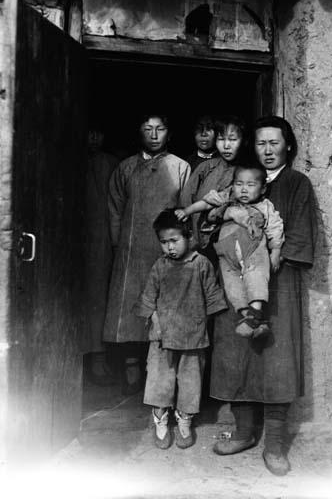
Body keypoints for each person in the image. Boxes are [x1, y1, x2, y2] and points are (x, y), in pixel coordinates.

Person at [210, 115, 317, 477]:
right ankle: (243, 432)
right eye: (261, 143)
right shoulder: (239, 180)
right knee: (238, 353)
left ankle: (274, 444)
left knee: (276, 361)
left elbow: (300, 237)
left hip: (279, 284)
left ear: (287, 144)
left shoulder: (297, 185)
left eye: (275, 143)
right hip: (239, 281)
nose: (268, 150)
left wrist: (271, 261)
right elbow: (212, 223)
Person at [103, 114, 191, 394]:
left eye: (160, 129)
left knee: (164, 309)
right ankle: (131, 365)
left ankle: (160, 374)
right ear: (139, 133)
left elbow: (187, 211)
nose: (154, 135)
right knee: (130, 309)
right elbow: (115, 210)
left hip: (165, 249)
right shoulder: (126, 167)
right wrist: (118, 246)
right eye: (147, 129)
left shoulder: (180, 167)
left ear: (169, 133)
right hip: (131, 251)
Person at [134, 210, 226, 449]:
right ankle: (161, 419)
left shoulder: (201, 264)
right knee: (159, 379)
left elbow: (214, 298)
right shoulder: (160, 266)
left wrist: (204, 324)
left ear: (189, 237)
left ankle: (185, 419)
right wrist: (154, 319)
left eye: (174, 240)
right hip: (163, 336)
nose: (169, 247)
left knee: (190, 381)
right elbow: (148, 298)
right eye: (164, 242)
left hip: (193, 335)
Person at [176, 163, 284, 338]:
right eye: (239, 184)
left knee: (256, 277)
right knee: (232, 286)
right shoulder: (227, 198)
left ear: (263, 188)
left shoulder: (265, 206)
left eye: (250, 185)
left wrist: (276, 252)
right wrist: (187, 211)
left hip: (253, 250)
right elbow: (206, 202)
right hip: (226, 253)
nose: (243, 190)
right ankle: (252, 321)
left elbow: (275, 227)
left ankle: (255, 314)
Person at [180, 115, 247, 253]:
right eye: (221, 139)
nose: (226, 146)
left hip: (231, 244)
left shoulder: (248, 173)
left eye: (233, 140)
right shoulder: (206, 168)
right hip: (198, 243)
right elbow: (186, 198)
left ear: (244, 141)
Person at [84, 127, 118, 384]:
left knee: (98, 296)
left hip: (100, 239)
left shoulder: (110, 164)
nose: (93, 138)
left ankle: (98, 358)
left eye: (98, 133)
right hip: (70, 239)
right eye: (88, 133)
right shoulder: (65, 158)